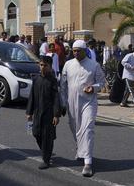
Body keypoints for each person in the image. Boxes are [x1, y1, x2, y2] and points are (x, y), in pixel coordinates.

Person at [60, 40, 105, 177]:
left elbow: (101, 82)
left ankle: (88, 162)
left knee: (87, 129)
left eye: (78, 50)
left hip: (88, 103)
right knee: (75, 128)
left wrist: (94, 88)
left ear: (85, 50)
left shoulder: (94, 65)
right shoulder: (68, 64)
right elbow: (63, 86)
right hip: (72, 103)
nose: (76, 53)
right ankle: (80, 149)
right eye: (74, 50)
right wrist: (63, 103)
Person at [26, 56, 61, 169]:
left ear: (50, 67)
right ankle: (45, 152)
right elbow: (32, 96)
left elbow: (56, 98)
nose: (43, 67)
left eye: (45, 65)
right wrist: (29, 112)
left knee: (47, 136)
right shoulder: (36, 79)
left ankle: (46, 159)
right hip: (37, 111)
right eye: (41, 65)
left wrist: (56, 114)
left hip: (49, 113)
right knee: (36, 133)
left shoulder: (53, 80)